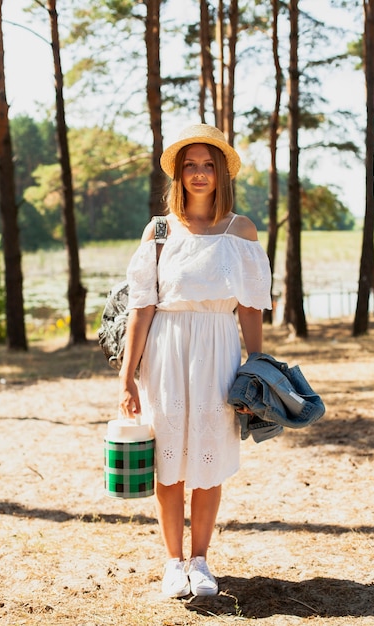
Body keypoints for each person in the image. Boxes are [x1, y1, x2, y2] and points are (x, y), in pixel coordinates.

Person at [118, 123, 272, 598]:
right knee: (170, 461)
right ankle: (172, 563)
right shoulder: (160, 230)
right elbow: (141, 308)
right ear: (179, 174)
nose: (200, 174)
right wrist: (127, 378)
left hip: (218, 349)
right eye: (191, 165)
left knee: (208, 456)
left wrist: (258, 370)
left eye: (209, 165)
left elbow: (249, 308)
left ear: (222, 173)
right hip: (166, 350)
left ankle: (201, 562)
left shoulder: (240, 230)